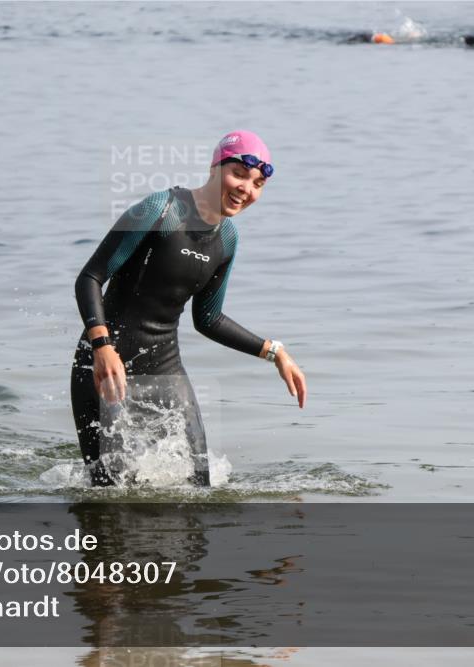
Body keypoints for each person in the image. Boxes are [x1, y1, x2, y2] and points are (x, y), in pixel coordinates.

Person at [70, 131, 307, 488]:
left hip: (165, 366)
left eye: (258, 184)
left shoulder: (227, 238)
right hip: (105, 365)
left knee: (200, 485)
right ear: (215, 168)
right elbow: (89, 277)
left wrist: (274, 352)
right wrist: (102, 347)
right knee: (110, 493)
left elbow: (208, 319)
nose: (247, 189)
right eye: (239, 174)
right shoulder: (160, 210)